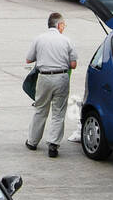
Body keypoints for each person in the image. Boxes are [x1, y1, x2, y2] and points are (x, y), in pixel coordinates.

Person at [25, 12, 78, 157]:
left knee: (40, 109)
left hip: (44, 77)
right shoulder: (67, 41)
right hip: (61, 78)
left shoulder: (39, 39)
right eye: (64, 25)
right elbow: (73, 65)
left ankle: (32, 142)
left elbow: (28, 60)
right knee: (58, 112)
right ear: (59, 25)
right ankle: (53, 144)